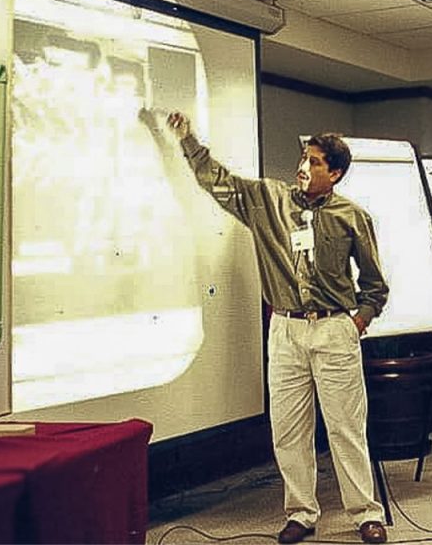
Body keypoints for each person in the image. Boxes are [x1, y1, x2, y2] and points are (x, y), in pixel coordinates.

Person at [163, 110, 389, 544]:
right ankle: (301, 513)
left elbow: (375, 284)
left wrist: (358, 321)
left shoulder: (352, 216)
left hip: (334, 329)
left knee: (345, 427)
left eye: (315, 162)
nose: (303, 167)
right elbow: (219, 182)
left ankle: (365, 513)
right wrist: (188, 139)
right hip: (285, 329)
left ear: (335, 174)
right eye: (303, 158)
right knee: (288, 427)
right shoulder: (268, 199)